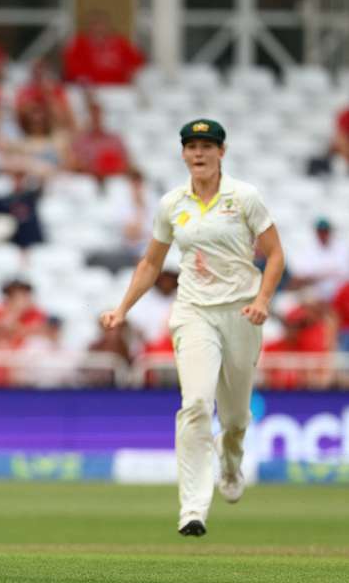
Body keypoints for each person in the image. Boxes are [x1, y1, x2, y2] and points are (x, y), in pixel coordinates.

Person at [100, 119, 285, 537]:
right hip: (193, 312)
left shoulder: (244, 198)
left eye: (207, 146)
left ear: (222, 152)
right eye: (192, 146)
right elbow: (151, 262)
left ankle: (231, 458)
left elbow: (275, 256)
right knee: (197, 404)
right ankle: (193, 508)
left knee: (236, 417)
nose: (199, 153)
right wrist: (122, 309)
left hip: (241, 313)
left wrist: (261, 301)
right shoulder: (172, 203)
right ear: (183, 153)